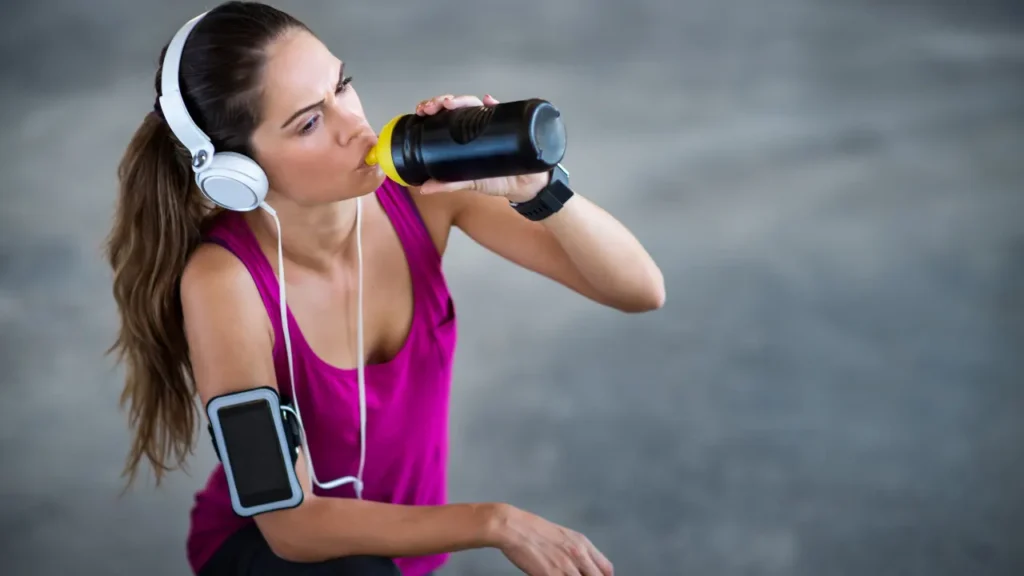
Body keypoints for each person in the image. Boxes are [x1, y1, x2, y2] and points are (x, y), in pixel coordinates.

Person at [105, 1, 664, 575]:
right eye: (309, 122)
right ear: (237, 174)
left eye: (342, 86)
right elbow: (290, 525)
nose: (355, 126)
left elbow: (640, 289)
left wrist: (537, 189)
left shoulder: (426, 192)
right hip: (270, 553)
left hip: (402, 554)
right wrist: (495, 521)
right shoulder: (224, 282)